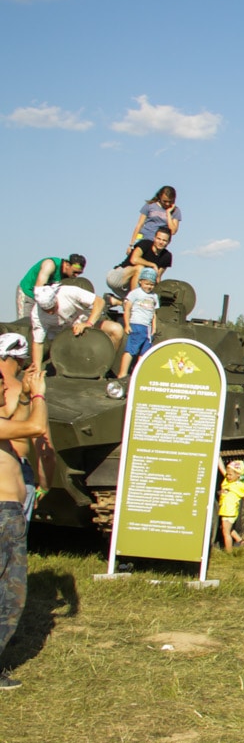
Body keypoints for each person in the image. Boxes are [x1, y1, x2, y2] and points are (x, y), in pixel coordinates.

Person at [0, 365, 49, 690]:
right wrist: (39, 396)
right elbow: (35, 427)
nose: (6, 390)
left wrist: (25, 398)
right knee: (10, 595)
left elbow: (21, 435)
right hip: (3, 516)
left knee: (8, 594)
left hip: (8, 515)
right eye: (1, 386)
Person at [0, 334, 53, 522]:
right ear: (21, 360)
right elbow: (45, 448)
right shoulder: (27, 394)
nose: (5, 389)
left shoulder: (17, 396)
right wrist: (44, 487)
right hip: (14, 480)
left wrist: (24, 397)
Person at [30, 283, 123, 366]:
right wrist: (37, 368)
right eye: (46, 311)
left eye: (52, 308)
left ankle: (104, 366)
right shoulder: (37, 315)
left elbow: (100, 301)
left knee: (116, 329)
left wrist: (88, 323)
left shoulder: (69, 292)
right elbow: (38, 343)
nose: (50, 313)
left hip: (86, 325)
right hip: (63, 339)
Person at [115, 269, 160, 381]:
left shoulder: (154, 296)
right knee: (131, 349)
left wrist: (154, 327)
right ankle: (122, 374)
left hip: (148, 328)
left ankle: (139, 375)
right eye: (147, 284)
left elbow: (154, 313)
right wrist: (127, 324)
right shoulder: (135, 293)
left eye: (152, 284)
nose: (149, 287)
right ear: (140, 281)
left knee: (144, 352)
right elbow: (127, 309)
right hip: (136, 324)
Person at [15, 253, 85, 321]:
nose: (76, 275)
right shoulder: (50, 265)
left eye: (79, 273)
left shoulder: (69, 276)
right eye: (75, 272)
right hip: (28, 293)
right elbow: (39, 291)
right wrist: (50, 310)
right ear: (67, 265)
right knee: (25, 323)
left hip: (46, 299)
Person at [106, 227, 173, 297]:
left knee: (145, 298)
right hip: (117, 278)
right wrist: (152, 265)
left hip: (130, 286)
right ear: (154, 238)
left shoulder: (167, 256)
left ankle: (113, 300)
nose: (161, 242)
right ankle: (134, 299)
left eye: (164, 240)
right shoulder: (145, 244)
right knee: (140, 268)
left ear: (168, 242)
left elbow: (157, 277)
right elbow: (134, 260)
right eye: (158, 239)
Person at [217, 460, 244, 553]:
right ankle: (240, 541)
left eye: (230, 475)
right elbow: (222, 469)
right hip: (225, 510)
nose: (228, 476)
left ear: (238, 475)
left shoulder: (239, 485)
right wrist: (218, 459)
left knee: (225, 532)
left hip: (230, 511)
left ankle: (229, 552)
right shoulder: (228, 480)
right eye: (227, 474)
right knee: (227, 529)